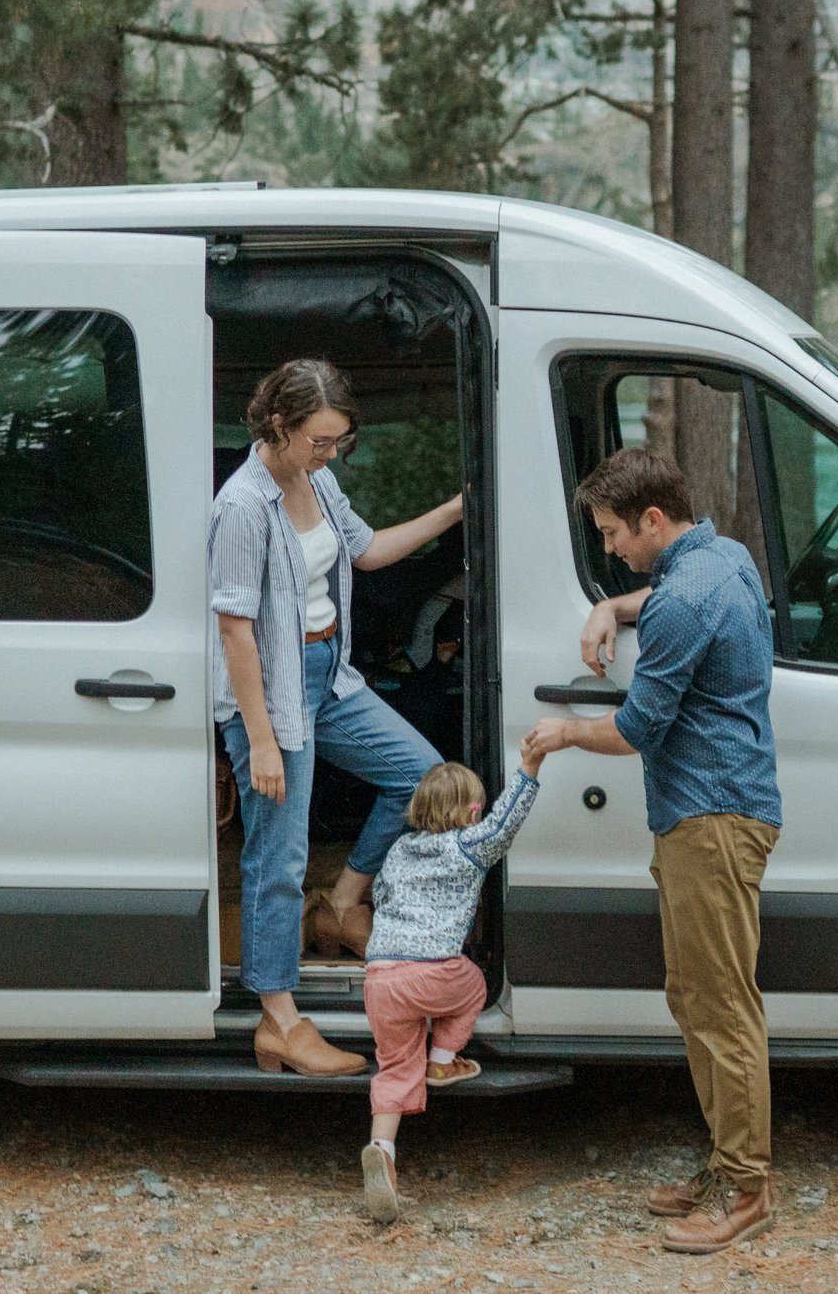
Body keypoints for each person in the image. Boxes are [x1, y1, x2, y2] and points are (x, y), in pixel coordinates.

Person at [524, 447, 784, 1255]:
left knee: (721, 1004)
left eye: (612, 535)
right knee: (696, 994)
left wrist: (564, 731)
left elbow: (637, 728)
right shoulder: (723, 556)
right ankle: (727, 1162)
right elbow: (669, 593)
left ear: (654, 520)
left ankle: (747, 1188)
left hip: (708, 817)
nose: (609, 550)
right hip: (717, 811)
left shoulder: (681, 601)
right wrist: (618, 607)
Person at [211, 358, 466, 1077]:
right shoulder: (242, 505)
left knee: (421, 775)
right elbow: (235, 630)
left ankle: (343, 901)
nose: (330, 454)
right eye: (320, 440)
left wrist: (454, 510)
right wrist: (259, 737)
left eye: (337, 442)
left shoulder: (317, 481)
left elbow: (368, 549)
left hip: (330, 675)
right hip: (271, 691)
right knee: (277, 859)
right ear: (278, 425)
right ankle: (279, 1020)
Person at [356, 743, 547, 1222]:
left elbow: (379, 894)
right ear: (473, 810)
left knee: (395, 1066)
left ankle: (383, 1149)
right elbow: (506, 823)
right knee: (477, 984)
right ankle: (442, 1060)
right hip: (436, 971)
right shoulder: (468, 845)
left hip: (380, 975)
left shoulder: (399, 849)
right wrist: (529, 769)